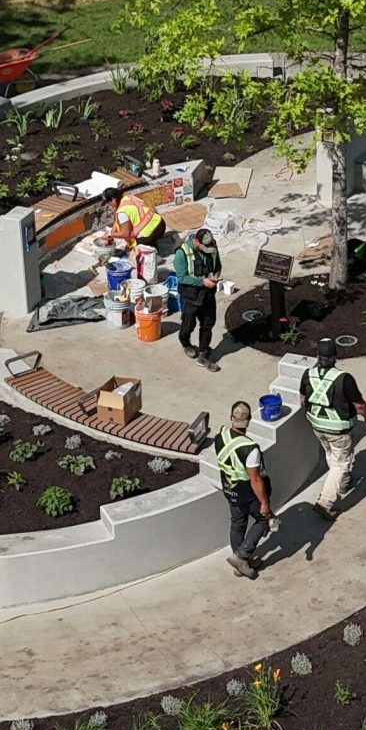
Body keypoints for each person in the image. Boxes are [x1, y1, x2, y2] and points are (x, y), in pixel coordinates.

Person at [303, 341, 366, 519]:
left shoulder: (308, 374)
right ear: (335, 357)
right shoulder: (344, 378)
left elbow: (304, 399)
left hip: (317, 426)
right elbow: (359, 405)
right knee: (341, 463)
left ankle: (342, 483)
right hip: (339, 430)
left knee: (331, 454)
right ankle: (325, 503)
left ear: (318, 356)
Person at [214, 401, 275, 579]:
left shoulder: (221, 436)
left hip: (229, 490)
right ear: (248, 420)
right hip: (248, 494)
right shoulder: (250, 449)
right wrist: (264, 503)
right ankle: (241, 556)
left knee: (238, 523)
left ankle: (241, 562)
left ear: (231, 418)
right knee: (264, 520)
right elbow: (255, 479)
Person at [172, 228, 224, 370]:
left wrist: (215, 276)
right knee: (188, 324)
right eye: (204, 247)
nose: (208, 250)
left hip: (208, 293)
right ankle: (186, 343)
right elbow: (182, 278)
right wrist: (203, 282)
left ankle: (203, 354)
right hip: (191, 295)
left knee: (208, 323)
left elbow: (218, 265)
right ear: (196, 241)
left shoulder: (212, 246)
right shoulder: (181, 254)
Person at [101, 184, 163, 251]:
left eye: (108, 202)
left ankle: (148, 245)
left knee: (132, 249)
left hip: (150, 232)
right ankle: (151, 243)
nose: (109, 205)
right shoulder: (128, 198)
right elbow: (117, 221)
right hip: (160, 223)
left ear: (113, 199)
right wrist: (111, 234)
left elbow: (126, 233)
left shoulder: (122, 212)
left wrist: (111, 235)